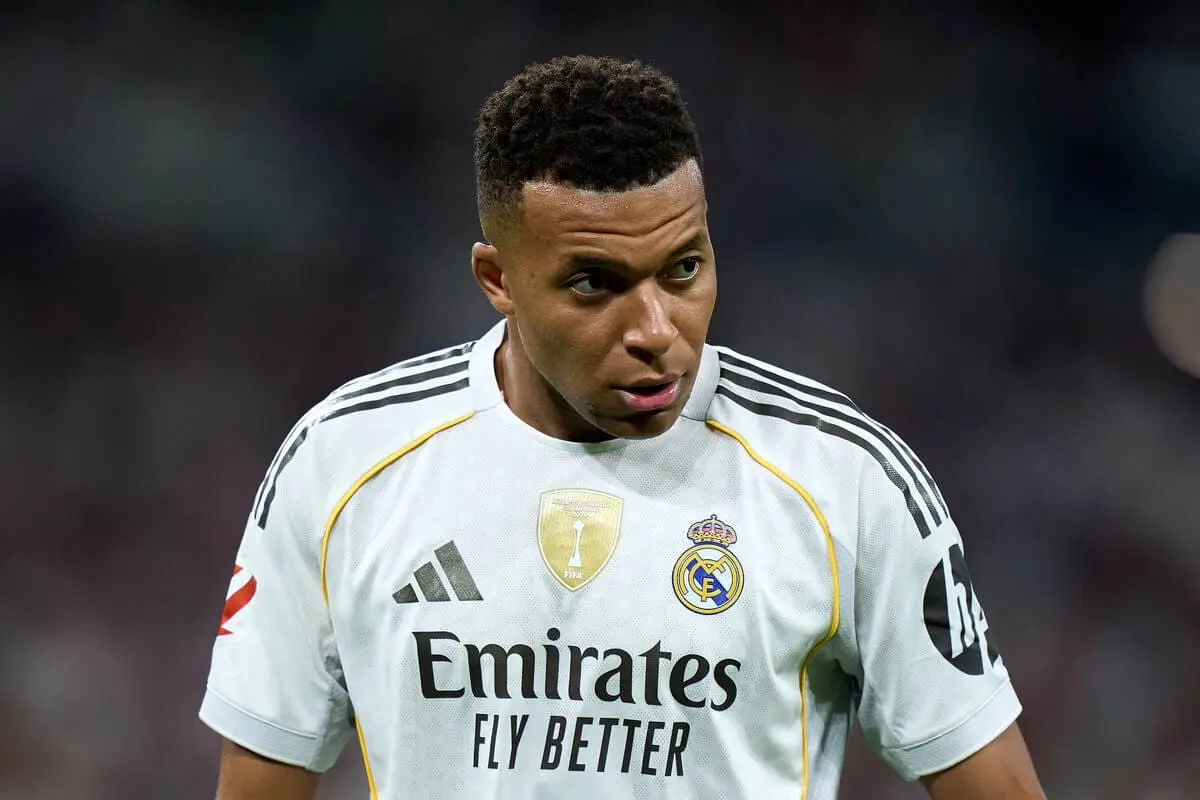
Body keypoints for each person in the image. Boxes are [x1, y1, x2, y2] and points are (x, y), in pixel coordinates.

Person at [200, 55, 1046, 799]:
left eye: (684, 268)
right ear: (497, 279)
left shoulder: (846, 480)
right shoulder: (343, 463)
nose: (655, 328)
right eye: (595, 284)